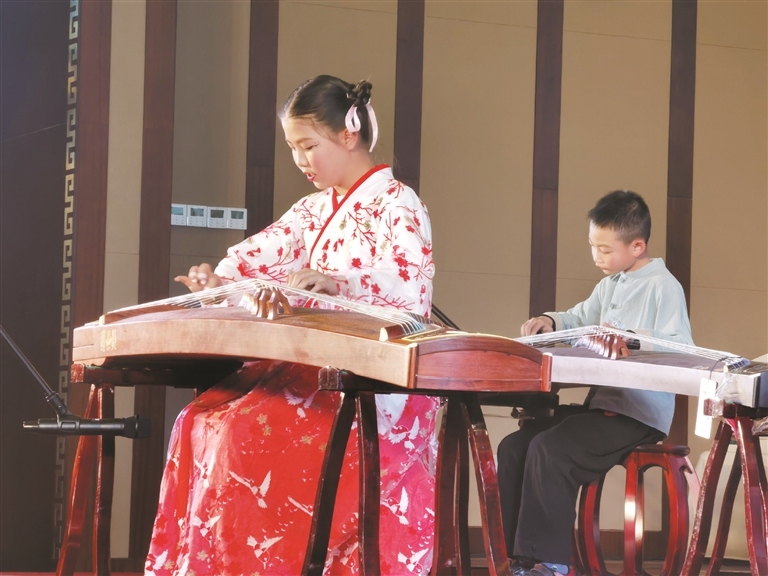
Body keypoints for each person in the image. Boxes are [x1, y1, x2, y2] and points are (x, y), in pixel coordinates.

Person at [145, 75, 437, 576]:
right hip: (314, 369)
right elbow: (251, 260)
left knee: (239, 432)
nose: (301, 160)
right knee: (198, 421)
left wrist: (339, 283)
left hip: (375, 379)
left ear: (348, 134)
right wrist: (218, 280)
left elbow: (410, 290)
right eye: (293, 148)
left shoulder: (399, 203)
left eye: (309, 145)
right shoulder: (310, 211)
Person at [497, 190, 693, 576]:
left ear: (637, 246)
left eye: (605, 249)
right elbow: (578, 318)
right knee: (515, 446)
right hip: (602, 409)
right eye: (592, 246)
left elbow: (679, 345)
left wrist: (631, 338)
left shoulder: (663, 285)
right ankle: (514, 558)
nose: (596, 257)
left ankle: (550, 562)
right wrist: (550, 321)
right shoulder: (610, 285)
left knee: (552, 448)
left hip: (638, 415)